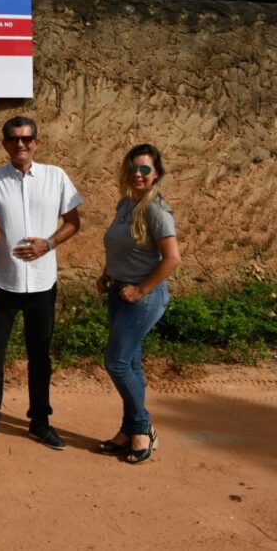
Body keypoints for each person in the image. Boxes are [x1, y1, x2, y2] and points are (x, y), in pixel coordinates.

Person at [0, 116, 82, 450]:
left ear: (37, 141)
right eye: (13, 139)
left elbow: (74, 222)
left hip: (43, 285)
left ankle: (40, 422)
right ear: (4, 143)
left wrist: (48, 244)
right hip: (2, 284)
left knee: (40, 356)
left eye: (26, 138)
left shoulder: (56, 177)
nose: (20, 144)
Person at [96, 144, 180, 464]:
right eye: (133, 167)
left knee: (116, 362)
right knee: (129, 363)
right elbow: (122, 246)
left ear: (156, 173)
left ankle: (144, 428)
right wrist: (107, 275)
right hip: (120, 291)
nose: (138, 173)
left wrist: (141, 290)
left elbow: (172, 259)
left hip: (143, 297)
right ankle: (129, 429)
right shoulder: (125, 203)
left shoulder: (156, 210)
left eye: (145, 169)